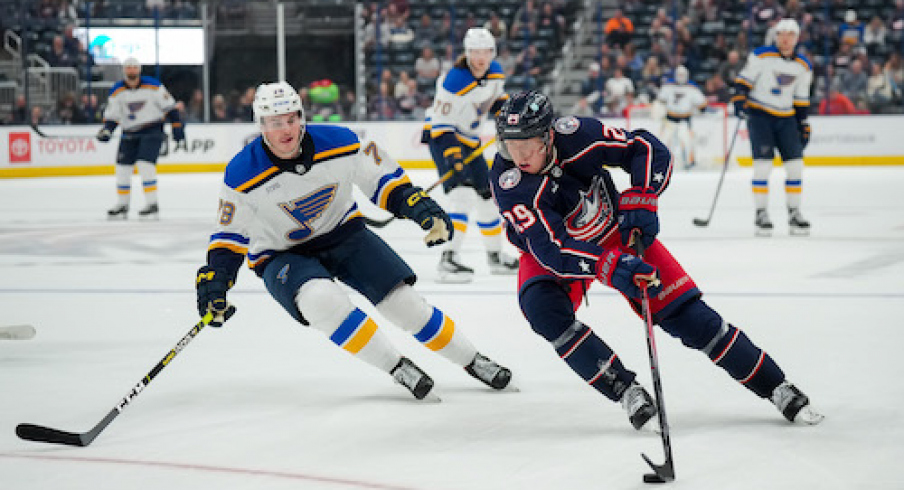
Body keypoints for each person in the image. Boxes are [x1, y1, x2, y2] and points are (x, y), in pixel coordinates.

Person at [489, 90, 823, 431]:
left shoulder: (578, 134)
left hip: (617, 233)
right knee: (542, 311)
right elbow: (554, 250)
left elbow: (645, 148)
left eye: (528, 143)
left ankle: (776, 386)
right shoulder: (509, 182)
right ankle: (625, 389)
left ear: (548, 134)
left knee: (692, 320)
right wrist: (611, 266)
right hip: (558, 252)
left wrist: (643, 195)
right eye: (510, 145)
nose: (519, 155)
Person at [195, 82, 512, 401]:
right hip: (281, 254)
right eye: (276, 122)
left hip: (344, 233)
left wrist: (417, 207)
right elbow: (229, 236)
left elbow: (385, 182)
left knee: (405, 305)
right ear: (261, 125)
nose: (286, 129)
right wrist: (217, 279)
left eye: (291, 119)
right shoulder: (242, 173)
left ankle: (472, 359)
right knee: (321, 300)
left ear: (302, 117)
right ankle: (395, 366)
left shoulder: (341, 142)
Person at [422, 27, 518, 283]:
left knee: (488, 199)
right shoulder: (453, 81)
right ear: (467, 52)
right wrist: (452, 156)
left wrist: (508, 116)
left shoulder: (496, 72)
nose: (480, 57)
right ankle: (448, 259)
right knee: (462, 197)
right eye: (475, 51)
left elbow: (497, 100)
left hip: (470, 140)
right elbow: (441, 125)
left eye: (485, 51)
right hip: (444, 138)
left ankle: (495, 258)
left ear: (492, 52)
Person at [731, 18, 813, 236]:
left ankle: (794, 212)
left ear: (796, 38)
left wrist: (803, 123)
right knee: (763, 166)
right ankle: (761, 213)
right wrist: (739, 100)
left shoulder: (803, 66)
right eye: (781, 34)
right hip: (760, 116)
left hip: (787, 118)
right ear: (776, 36)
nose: (785, 39)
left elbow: (801, 98)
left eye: (790, 35)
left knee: (795, 166)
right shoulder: (761, 56)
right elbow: (743, 81)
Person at [97, 57, 185, 220]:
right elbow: (112, 116)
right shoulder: (117, 90)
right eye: (128, 68)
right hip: (129, 132)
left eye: (134, 67)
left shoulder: (153, 85)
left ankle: (152, 204)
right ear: (124, 70)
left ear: (139, 69)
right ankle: (122, 204)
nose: (131, 70)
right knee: (122, 168)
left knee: (145, 165)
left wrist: (177, 126)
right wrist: (107, 130)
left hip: (152, 130)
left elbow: (170, 107)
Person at [656, 65, 708, 169]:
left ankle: (689, 163)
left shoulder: (692, 87)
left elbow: (702, 103)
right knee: (664, 141)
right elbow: (660, 100)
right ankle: (661, 163)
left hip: (685, 120)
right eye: (679, 74)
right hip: (669, 119)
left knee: (687, 142)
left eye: (682, 74)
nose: (681, 76)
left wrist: (698, 109)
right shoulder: (668, 86)